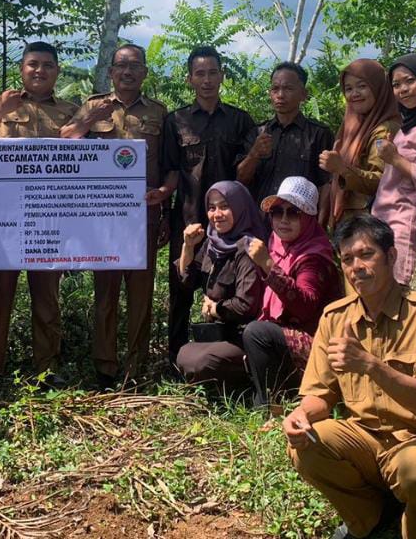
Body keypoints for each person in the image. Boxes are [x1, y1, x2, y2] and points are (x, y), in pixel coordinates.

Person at [284, 215, 416, 539]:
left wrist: (370, 364)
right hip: (362, 440)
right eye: (347, 259)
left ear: (391, 256)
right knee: (305, 444)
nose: (356, 267)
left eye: (366, 255)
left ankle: (412, 522)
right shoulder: (335, 318)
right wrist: (300, 415)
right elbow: (320, 395)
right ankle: (366, 517)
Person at [0, 41, 79, 386]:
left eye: (47, 65)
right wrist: (0, 110)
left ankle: (46, 369)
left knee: (47, 298)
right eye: (32, 64)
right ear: (22, 69)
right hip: (4, 218)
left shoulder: (70, 110)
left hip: (50, 217)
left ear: (57, 71)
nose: (39, 70)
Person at [61, 44, 171, 388]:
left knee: (141, 296)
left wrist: (165, 201)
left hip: (144, 216)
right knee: (105, 295)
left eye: (135, 66)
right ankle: (104, 368)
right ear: (111, 71)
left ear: (144, 73)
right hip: (102, 219)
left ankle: (135, 368)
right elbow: (66, 139)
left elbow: (168, 166)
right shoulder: (93, 105)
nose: (127, 72)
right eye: (121, 66)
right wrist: (91, 119)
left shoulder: (158, 112)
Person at [160, 46, 257, 367]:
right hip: (188, 221)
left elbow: (248, 171)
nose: (207, 80)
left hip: (228, 223)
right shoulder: (176, 121)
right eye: (199, 74)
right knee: (181, 288)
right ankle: (175, 358)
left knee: (226, 289)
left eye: (213, 72)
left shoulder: (241, 121)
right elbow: (171, 173)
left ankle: (224, 357)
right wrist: (163, 215)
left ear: (222, 76)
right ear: (189, 79)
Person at [241, 177, 343, 409]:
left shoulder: (314, 257)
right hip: (284, 333)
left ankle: (272, 406)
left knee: (257, 333)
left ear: (308, 218)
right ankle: (270, 396)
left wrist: (268, 265)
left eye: (294, 213)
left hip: (317, 345)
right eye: (278, 212)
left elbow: (306, 306)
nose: (284, 220)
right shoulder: (277, 245)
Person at [173, 181, 268, 385]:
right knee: (183, 355)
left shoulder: (248, 248)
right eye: (212, 208)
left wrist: (215, 309)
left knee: (202, 362)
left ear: (240, 208)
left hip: (242, 335)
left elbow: (246, 306)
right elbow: (188, 280)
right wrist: (187, 247)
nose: (217, 214)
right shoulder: (213, 242)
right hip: (217, 333)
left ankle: (247, 376)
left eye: (225, 207)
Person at [371, 53, 416, 286]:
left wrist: (396, 159)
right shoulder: (408, 125)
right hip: (384, 220)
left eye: (410, 80)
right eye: (396, 84)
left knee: (400, 293)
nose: (403, 89)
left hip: (406, 225)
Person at [237, 62, 335, 203]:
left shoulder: (318, 134)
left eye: (288, 88)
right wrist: (254, 154)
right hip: (260, 218)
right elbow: (241, 179)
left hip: (300, 220)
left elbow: (326, 184)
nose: (280, 95)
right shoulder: (257, 133)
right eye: (275, 89)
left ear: (303, 94)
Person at [320, 59, 399, 230]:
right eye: (348, 89)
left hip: (369, 227)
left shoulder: (385, 130)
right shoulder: (351, 126)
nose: (354, 93)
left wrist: (342, 168)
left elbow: (382, 181)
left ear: (378, 87)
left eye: (362, 86)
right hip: (348, 223)